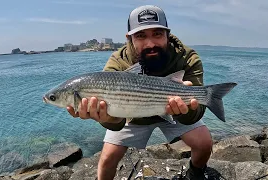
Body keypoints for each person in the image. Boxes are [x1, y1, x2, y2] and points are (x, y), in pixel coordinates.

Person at [67, 5, 213, 180]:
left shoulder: (188, 58)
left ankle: (195, 173)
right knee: (106, 159)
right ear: (130, 38)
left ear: (167, 34)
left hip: (174, 112)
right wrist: (105, 118)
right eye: (141, 36)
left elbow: (196, 114)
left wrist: (187, 109)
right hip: (131, 114)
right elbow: (116, 120)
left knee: (204, 144)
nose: (150, 43)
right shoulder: (117, 63)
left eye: (157, 34)